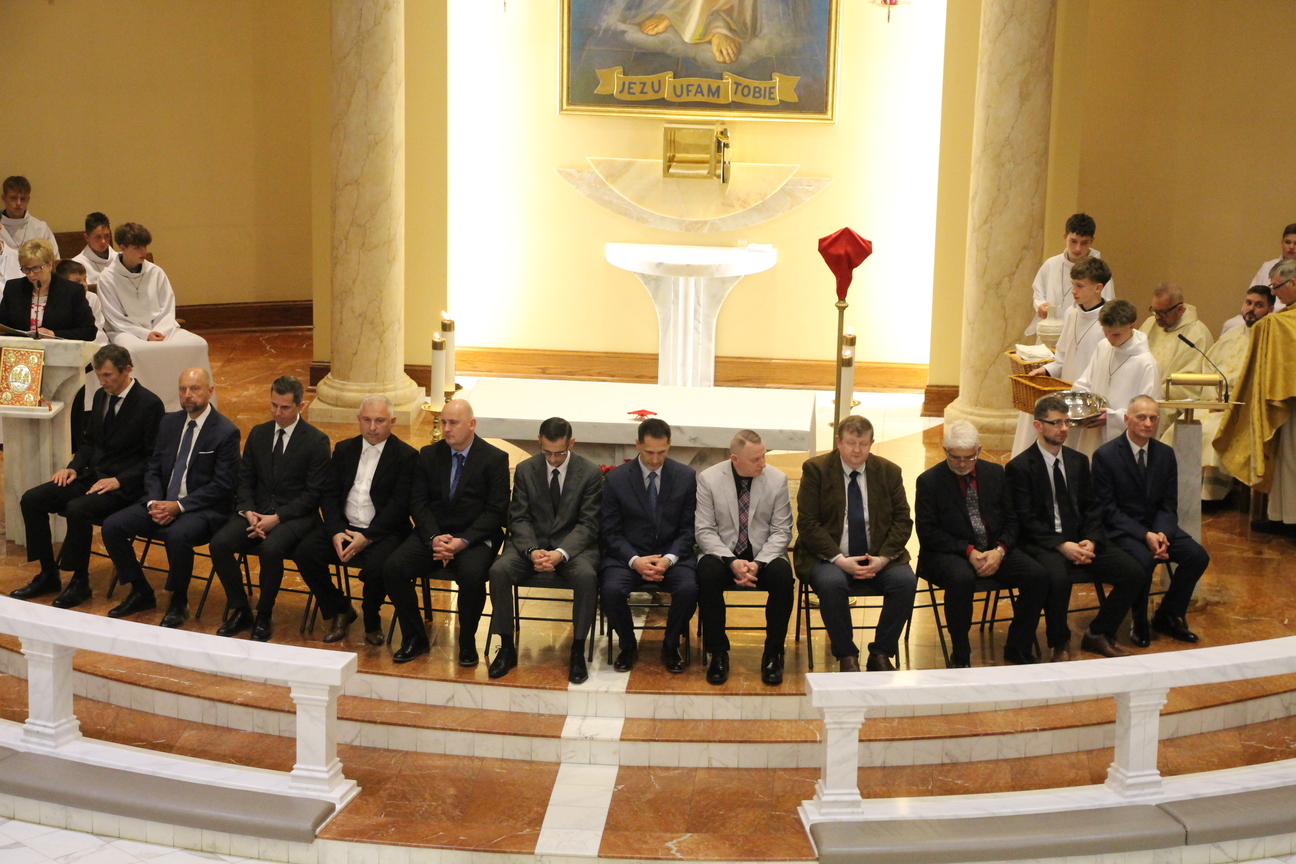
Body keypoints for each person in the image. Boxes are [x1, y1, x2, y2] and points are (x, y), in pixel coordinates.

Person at [12, 345, 163, 608]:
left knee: (77, 509)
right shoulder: (102, 396)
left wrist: (119, 481)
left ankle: (80, 581)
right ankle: (48, 573)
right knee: (32, 499)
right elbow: (90, 442)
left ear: (127, 370)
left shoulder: (149, 404)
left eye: (108, 375)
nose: (102, 381)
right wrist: (73, 467)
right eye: (99, 375)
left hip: (123, 486)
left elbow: (153, 459)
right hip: (92, 476)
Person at [1006, 394, 1144, 659]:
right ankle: (1060, 642)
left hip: (1080, 540)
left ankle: (1098, 633)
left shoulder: (1078, 461)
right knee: (1058, 578)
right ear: (1038, 426)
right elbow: (1026, 519)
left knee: (1133, 572)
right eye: (1056, 423)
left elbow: (1093, 507)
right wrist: (1061, 545)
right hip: (1045, 543)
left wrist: (1091, 540)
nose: (1063, 429)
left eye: (1067, 422)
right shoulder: (1020, 467)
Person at [100, 367, 240, 628]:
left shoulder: (225, 432)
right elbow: (153, 467)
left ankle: (178, 600)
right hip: (162, 500)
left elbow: (222, 486)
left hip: (201, 508)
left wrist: (179, 506)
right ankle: (140, 590)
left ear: (210, 391)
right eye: (182, 389)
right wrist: (154, 501)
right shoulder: (169, 423)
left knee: (177, 535)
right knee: (112, 526)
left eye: (194, 389)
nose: (187, 395)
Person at [383, 399, 510, 664]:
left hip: (474, 537)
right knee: (394, 568)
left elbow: (495, 511)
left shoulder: (494, 459)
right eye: (443, 422)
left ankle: (467, 642)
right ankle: (414, 637)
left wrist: (463, 541)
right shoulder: (429, 454)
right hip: (434, 533)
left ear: (472, 424)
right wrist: (433, 538)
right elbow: (418, 502)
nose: (447, 429)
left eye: (453, 423)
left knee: (472, 576)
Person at [915, 420, 1046, 667]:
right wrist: (969, 551)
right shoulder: (929, 481)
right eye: (955, 457)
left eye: (969, 457)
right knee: (961, 579)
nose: (962, 464)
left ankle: (1018, 646)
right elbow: (928, 532)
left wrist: (1000, 550)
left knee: (1037, 575)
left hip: (994, 548)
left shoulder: (995, 473)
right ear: (945, 450)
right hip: (949, 552)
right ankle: (961, 654)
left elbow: (1012, 519)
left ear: (979, 450)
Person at [209, 377, 330, 642]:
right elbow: (244, 479)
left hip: (294, 517)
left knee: (271, 549)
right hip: (257, 512)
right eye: (274, 405)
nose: (277, 412)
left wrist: (277, 518)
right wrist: (248, 511)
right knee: (219, 544)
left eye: (285, 407)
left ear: (300, 405)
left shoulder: (316, 441)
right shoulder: (259, 433)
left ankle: (264, 613)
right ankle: (241, 609)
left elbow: (313, 495)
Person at [795, 414, 917, 672]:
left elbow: (903, 521)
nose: (857, 450)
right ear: (838, 441)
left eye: (863, 444)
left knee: (905, 582)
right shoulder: (816, 470)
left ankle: (881, 653)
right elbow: (808, 523)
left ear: (871, 443)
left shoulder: (889, 472)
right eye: (851, 443)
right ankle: (846, 656)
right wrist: (839, 560)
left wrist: (882, 559)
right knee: (831, 584)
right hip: (829, 557)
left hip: (878, 556)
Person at [486, 417, 604, 683]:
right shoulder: (526, 469)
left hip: (572, 548)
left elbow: (588, 524)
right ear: (539, 442)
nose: (553, 459)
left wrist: (561, 553)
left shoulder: (589, 473)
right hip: (531, 544)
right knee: (499, 571)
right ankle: (506, 646)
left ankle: (577, 649)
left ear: (571, 443)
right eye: (547, 452)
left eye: (559, 453)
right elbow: (518, 517)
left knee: (586, 577)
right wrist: (531, 550)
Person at [292, 395, 417, 645]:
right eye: (367, 420)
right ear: (358, 420)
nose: (372, 427)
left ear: (392, 422)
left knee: (378, 568)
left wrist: (368, 537)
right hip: (345, 526)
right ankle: (340, 609)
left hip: (383, 531)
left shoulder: (406, 456)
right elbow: (329, 494)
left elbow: (399, 506)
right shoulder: (344, 449)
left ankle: (371, 618)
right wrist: (336, 530)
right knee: (305, 553)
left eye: (380, 421)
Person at [1092, 395, 1209, 646]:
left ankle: (1167, 615)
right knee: (1144, 560)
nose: (1148, 423)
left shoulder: (1165, 454)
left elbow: (1168, 503)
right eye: (1141, 417)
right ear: (1127, 419)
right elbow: (1108, 510)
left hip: (1157, 527)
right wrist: (1145, 535)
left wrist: (1162, 532)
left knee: (1197, 556)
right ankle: (1139, 618)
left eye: (1153, 418)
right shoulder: (1106, 455)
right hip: (1122, 531)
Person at [694, 430, 794, 686]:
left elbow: (782, 531)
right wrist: (731, 561)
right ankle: (718, 652)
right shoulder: (709, 479)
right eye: (755, 459)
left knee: (784, 578)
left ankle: (773, 653)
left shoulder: (777, 479)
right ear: (735, 459)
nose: (763, 463)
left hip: (764, 554)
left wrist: (758, 563)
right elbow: (704, 530)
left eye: (764, 456)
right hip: (724, 553)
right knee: (706, 574)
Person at [600, 418, 699, 674]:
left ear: (670, 445)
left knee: (689, 589)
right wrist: (635, 560)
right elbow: (610, 531)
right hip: (628, 557)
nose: (655, 460)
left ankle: (670, 644)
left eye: (662, 452)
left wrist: (668, 559)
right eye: (649, 452)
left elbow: (688, 529)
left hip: (671, 556)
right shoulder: (616, 479)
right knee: (611, 590)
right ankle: (627, 645)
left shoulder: (685, 477)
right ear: (637, 445)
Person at [96, 222, 212, 412]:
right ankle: (143, 408)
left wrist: (160, 331)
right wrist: (145, 335)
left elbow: (167, 307)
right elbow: (114, 317)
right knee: (133, 351)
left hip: (162, 328)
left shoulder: (155, 272)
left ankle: (196, 403)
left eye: (145, 246)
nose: (143, 252)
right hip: (127, 332)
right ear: (123, 248)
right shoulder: (108, 277)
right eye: (137, 247)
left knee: (198, 344)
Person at [1217, 260, 1296, 526]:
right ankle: (1285, 517)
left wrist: (1266, 325)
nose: (1274, 293)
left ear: (1293, 282)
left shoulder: (1280, 321)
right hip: (1289, 398)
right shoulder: (1282, 318)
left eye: (1276, 287)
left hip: (1292, 398)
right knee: (1286, 458)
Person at [1013, 257, 1112, 456]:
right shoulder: (1071, 314)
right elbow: (1062, 358)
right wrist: (1045, 370)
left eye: (1079, 286)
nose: (1073, 291)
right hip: (1067, 397)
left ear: (1098, 288)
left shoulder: (1109, 320)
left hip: (1089, 401)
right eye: (1072, 285)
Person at [1190, 286, 1272, 500]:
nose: (1251, 309)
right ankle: (1183, 492)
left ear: (1270, 309)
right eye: (1248, 303)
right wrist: (1214, 399)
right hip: (1215, 402)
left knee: (1212, 431)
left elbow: (1264, 383)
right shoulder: (1231, 335)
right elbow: (1208, 367)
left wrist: (1231, 404)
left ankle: (1210, 495)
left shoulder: (1271, 340)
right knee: (1184, 425)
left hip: (1243, 409)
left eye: (1259, 305)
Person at [1072, 299, 1162, 450]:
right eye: (1105, 333)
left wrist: (1112, 418)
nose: (1109, 339)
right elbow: (1086, 382)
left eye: (1115, 334)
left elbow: (1149, 411)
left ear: (1131, 326)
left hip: (1122, 442)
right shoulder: (1103, 346)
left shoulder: (1147, 364)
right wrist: (1079, 404)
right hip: (1094, 432)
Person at [1026, 213, 1115, 337]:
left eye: (1084, 243)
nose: (1078, 248)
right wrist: (1040, 305)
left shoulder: (1099, 272)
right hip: (1050, 332)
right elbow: (1038, 294)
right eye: (1073, 241)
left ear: (1092, 240)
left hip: (1083, 334)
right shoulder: (1051, 264)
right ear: (1065, 237)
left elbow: (1106, 308)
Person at [0, 239, 96, 341]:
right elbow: (3, 325)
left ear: (49, 265)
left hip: (58, 349)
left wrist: (53, 334)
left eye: (36, 268)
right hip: (21, 349)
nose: (31, 274)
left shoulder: (72, 291)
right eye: (26, 269)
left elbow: (89, 331)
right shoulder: (14, 288)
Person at [1138, 283, 1214, 407]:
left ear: (1180, 309)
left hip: (1171, 405)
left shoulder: (1197, 334)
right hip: (1142, 395)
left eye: (1162, 312)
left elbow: (1190, 385)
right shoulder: (1149, 324)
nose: (1157, 317)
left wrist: (1152, 392)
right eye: (1154, 311)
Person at [1222, 223, 1296, 331]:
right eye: (1287, 242)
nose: (1291, 247)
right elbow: (1253, 295)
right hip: (1262, 314)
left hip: (1289, 318)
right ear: (1281, 243)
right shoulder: (1268, 266)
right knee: (1231, 324)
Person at [0, 177, 58, 255]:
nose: (18, 203)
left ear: (28, 200)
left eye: (23, 199)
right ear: (4, 198)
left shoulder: (40, 228)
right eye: (13, 198)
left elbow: (53, 258)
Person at [71, 213, 116, 289]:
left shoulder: (119, 259)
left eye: (106, 236)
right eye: (98, 237)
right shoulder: (77, 264)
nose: (103, 241)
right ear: (87, 237)